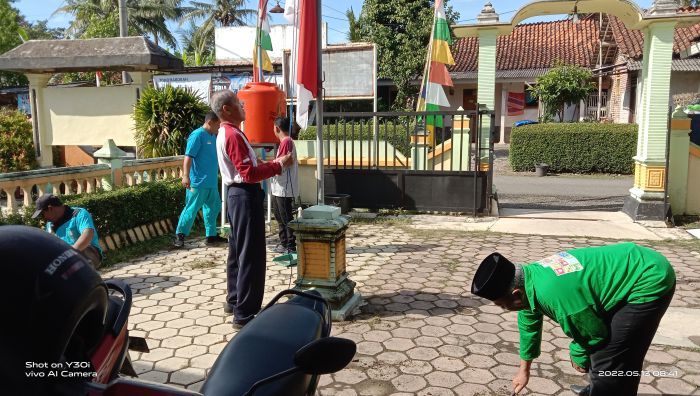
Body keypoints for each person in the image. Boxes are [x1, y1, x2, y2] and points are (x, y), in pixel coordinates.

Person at [471, 242, 675, 396]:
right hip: (630, 267)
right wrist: (524, 370)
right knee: (608, 357)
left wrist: (577, 353)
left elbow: (594, 333)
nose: (504, 309)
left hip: (648, 279)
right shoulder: (529, 280)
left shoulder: (553, 296)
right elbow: (529, 328)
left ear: (516, 293)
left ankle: (605, 388)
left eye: (501, 304)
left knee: (609, 357)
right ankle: (598, 387)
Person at [211, 90, 293, 328]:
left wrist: (271, 164)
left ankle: (235, 299)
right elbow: (249, 173)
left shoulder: (229, 132)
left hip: (238, 196)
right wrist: (277, 166)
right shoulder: (233, 135)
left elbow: (250, 167)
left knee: (238, 251)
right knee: (251, 255)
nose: (243, 105)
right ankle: (245, 313)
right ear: (227, 109)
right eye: (238, 103)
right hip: (244, 196)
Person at [174, 111, 227, 248]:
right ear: (210, 122)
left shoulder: (213, 136)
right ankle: (179, 236)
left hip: (211, 182)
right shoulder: (197, 135)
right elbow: (188, 157)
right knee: (191, 209)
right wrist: (185, 176)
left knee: (213, 208)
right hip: (197, 182)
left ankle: (211, 236)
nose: (219, 127)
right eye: (217, 124)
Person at [32, 194, 103, 268]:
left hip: (88, 254)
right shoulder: (50, 225)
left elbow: (87, 234)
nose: (43, 218)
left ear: (50, 208)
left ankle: (86, 277)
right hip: (64, 260)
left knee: (83, 251)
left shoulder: (79, 214)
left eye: (42, 214)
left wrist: (70, 253)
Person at [269, 116, 300, 254]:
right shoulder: (285, 142)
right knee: (279, 216)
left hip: (284, 187)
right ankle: (284, 243)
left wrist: (265, 165)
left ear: (276, 128)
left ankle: (290, 245)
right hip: (278, 187)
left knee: (285, 216)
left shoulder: (286, 141)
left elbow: (282, 164)